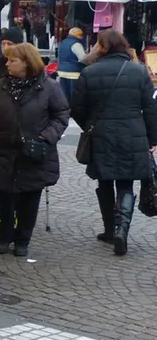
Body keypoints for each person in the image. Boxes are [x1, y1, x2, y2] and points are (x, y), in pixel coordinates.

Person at [70, 30, 157, 256]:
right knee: (126, 183)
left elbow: (77, 108)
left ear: (103, 47)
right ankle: (122, 230)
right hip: (133, 133)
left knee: (105, 181)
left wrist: (90, 125)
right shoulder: (139, 71)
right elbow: (151, 108)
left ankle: (109, 229)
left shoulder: (89, 72)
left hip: (101, 134)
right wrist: (152, 138)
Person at [0, 43, 70, 257]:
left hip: (35, 151)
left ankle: (23, 239)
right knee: (4, 197)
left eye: (12, 60)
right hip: (5, 149)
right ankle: (5, 236)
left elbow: (61, 115)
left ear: (26, 63)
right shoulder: (2, 85)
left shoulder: (49, 87)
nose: (7, 64)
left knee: (30, 198)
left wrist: (45, 137)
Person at [57, 27, 96, 100]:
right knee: (74, 97)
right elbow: (83, 59)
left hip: (61, 72)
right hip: (73, 74)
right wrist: (90, 63)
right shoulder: (76, 44)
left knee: (65, 96)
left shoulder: (63, 42)